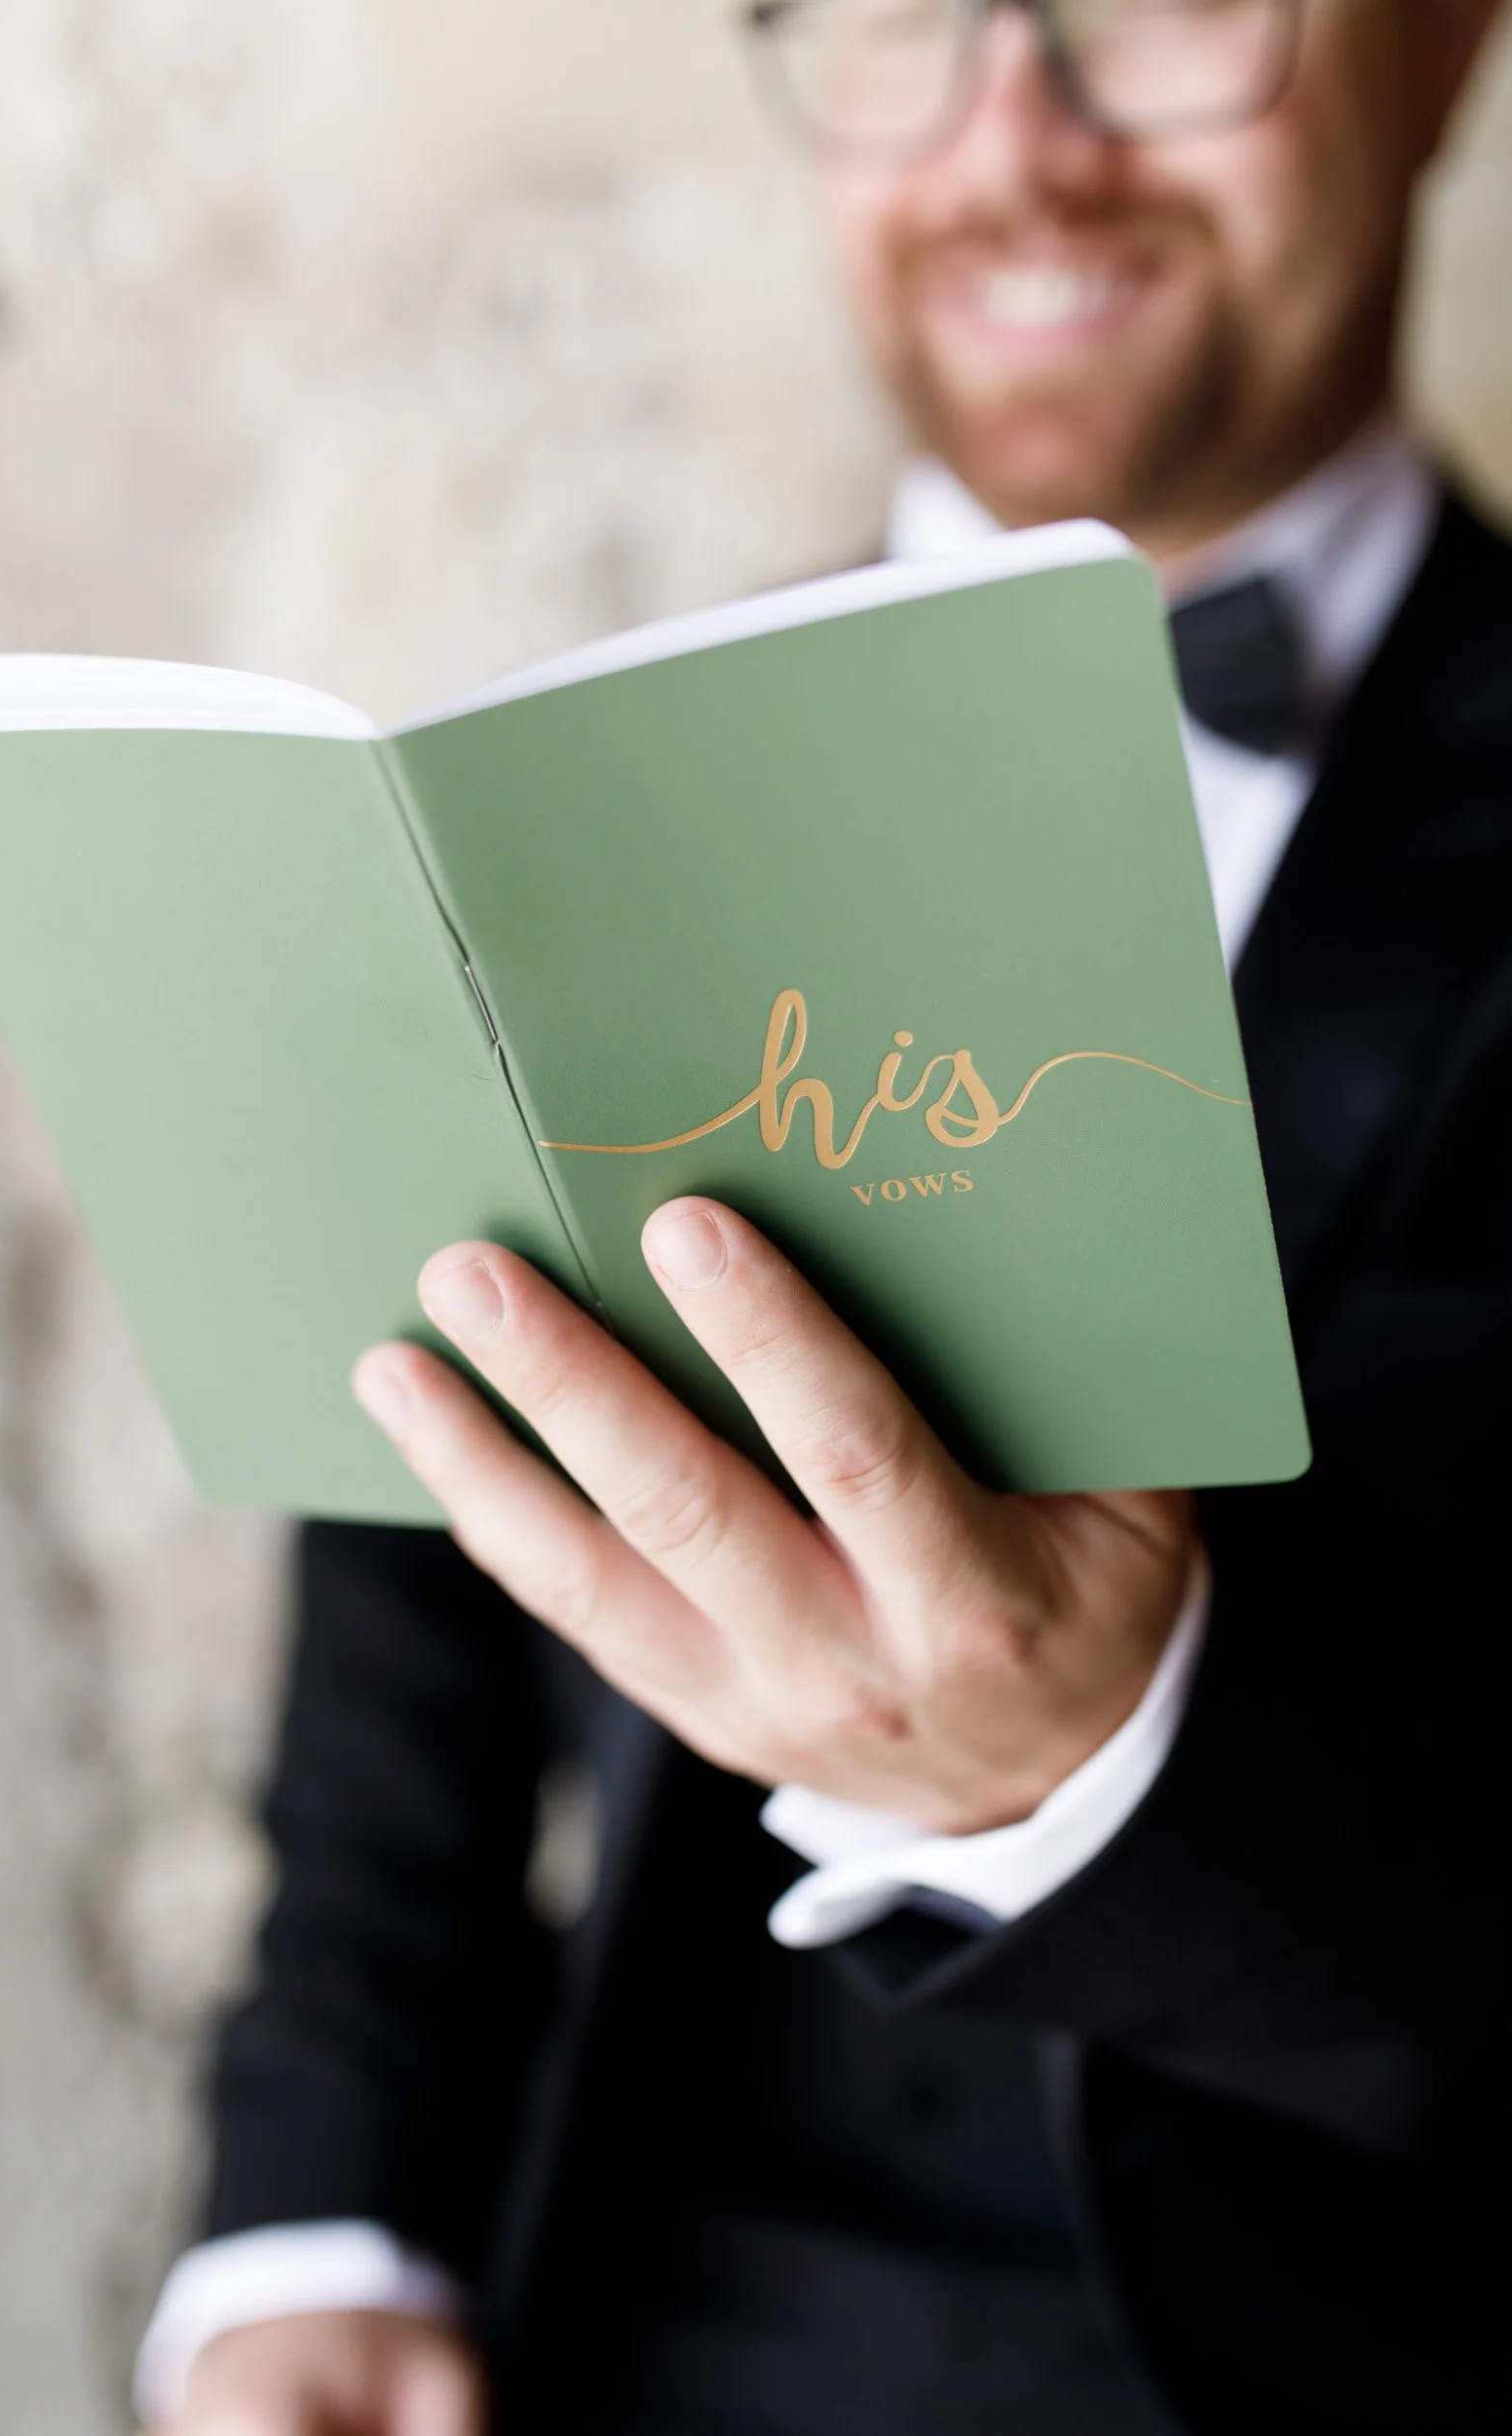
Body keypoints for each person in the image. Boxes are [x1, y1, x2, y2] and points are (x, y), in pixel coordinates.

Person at [139, 0, 1510, 2428]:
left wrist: (1113, 1752)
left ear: (1445, 50)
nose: (1016, 140)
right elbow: (397, 1711)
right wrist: (301, 2239)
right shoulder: (524, 810)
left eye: (1159, 7)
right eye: (900, 17)